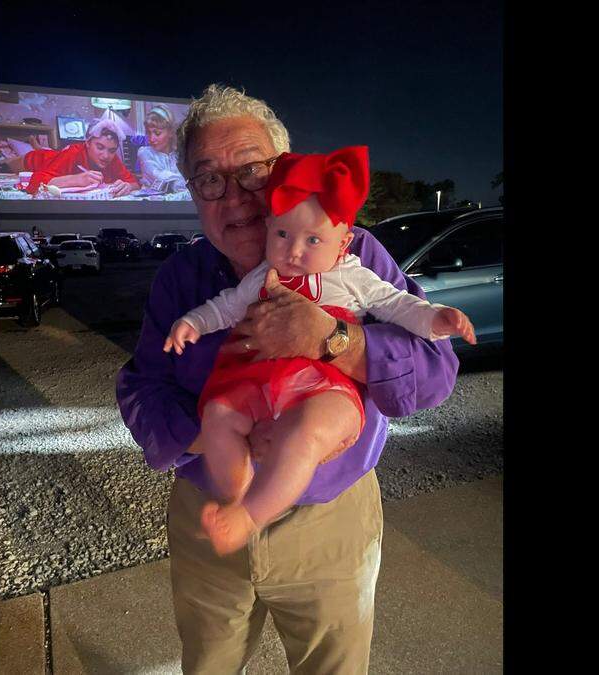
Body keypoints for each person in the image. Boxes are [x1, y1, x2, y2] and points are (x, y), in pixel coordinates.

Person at [115, 84, 460, 674]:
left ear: (285, 171)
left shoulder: (354, 254)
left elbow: (434, 373)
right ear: (194, 195)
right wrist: (217, 433)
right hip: (211, 514)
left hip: (329, 520)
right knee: (209, 664)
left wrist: (331, 341)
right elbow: (141, 387)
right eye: (210, 180)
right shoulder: (184, 275)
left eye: (253, 171)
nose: (239, 199)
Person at [162, 145, 476, 556]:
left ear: (344, 242)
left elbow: (397, 305)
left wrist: (435, 318)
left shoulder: (354, 274)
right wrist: (193, 322)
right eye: (282, 235)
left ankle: (249, 515)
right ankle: (234, 494)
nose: (294, 251)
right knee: (219, 415)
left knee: (306, 434)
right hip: (256, 381)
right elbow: (225, 306)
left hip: (321, 387)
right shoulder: (260, 274)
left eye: (313, 239)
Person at [21, 119, 139, 197]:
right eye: (100, 147)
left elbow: (135, 183)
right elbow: (34, 183)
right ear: (87, 143)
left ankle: (37, 145)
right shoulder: (73, 152)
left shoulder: (112, 158)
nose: (106, 156)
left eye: (112, 150)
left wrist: (127, 186)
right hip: (35, 159)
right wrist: (76, 179)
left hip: (53, 155)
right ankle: (34, 145)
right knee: (9, 162)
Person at [137, 105, 187, 193]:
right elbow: (161, 177)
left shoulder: (178, 155)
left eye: (157, 133)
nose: (151, 139)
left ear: (171, 132)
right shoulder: (145, 153)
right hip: (152, 204)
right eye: (148, 133)